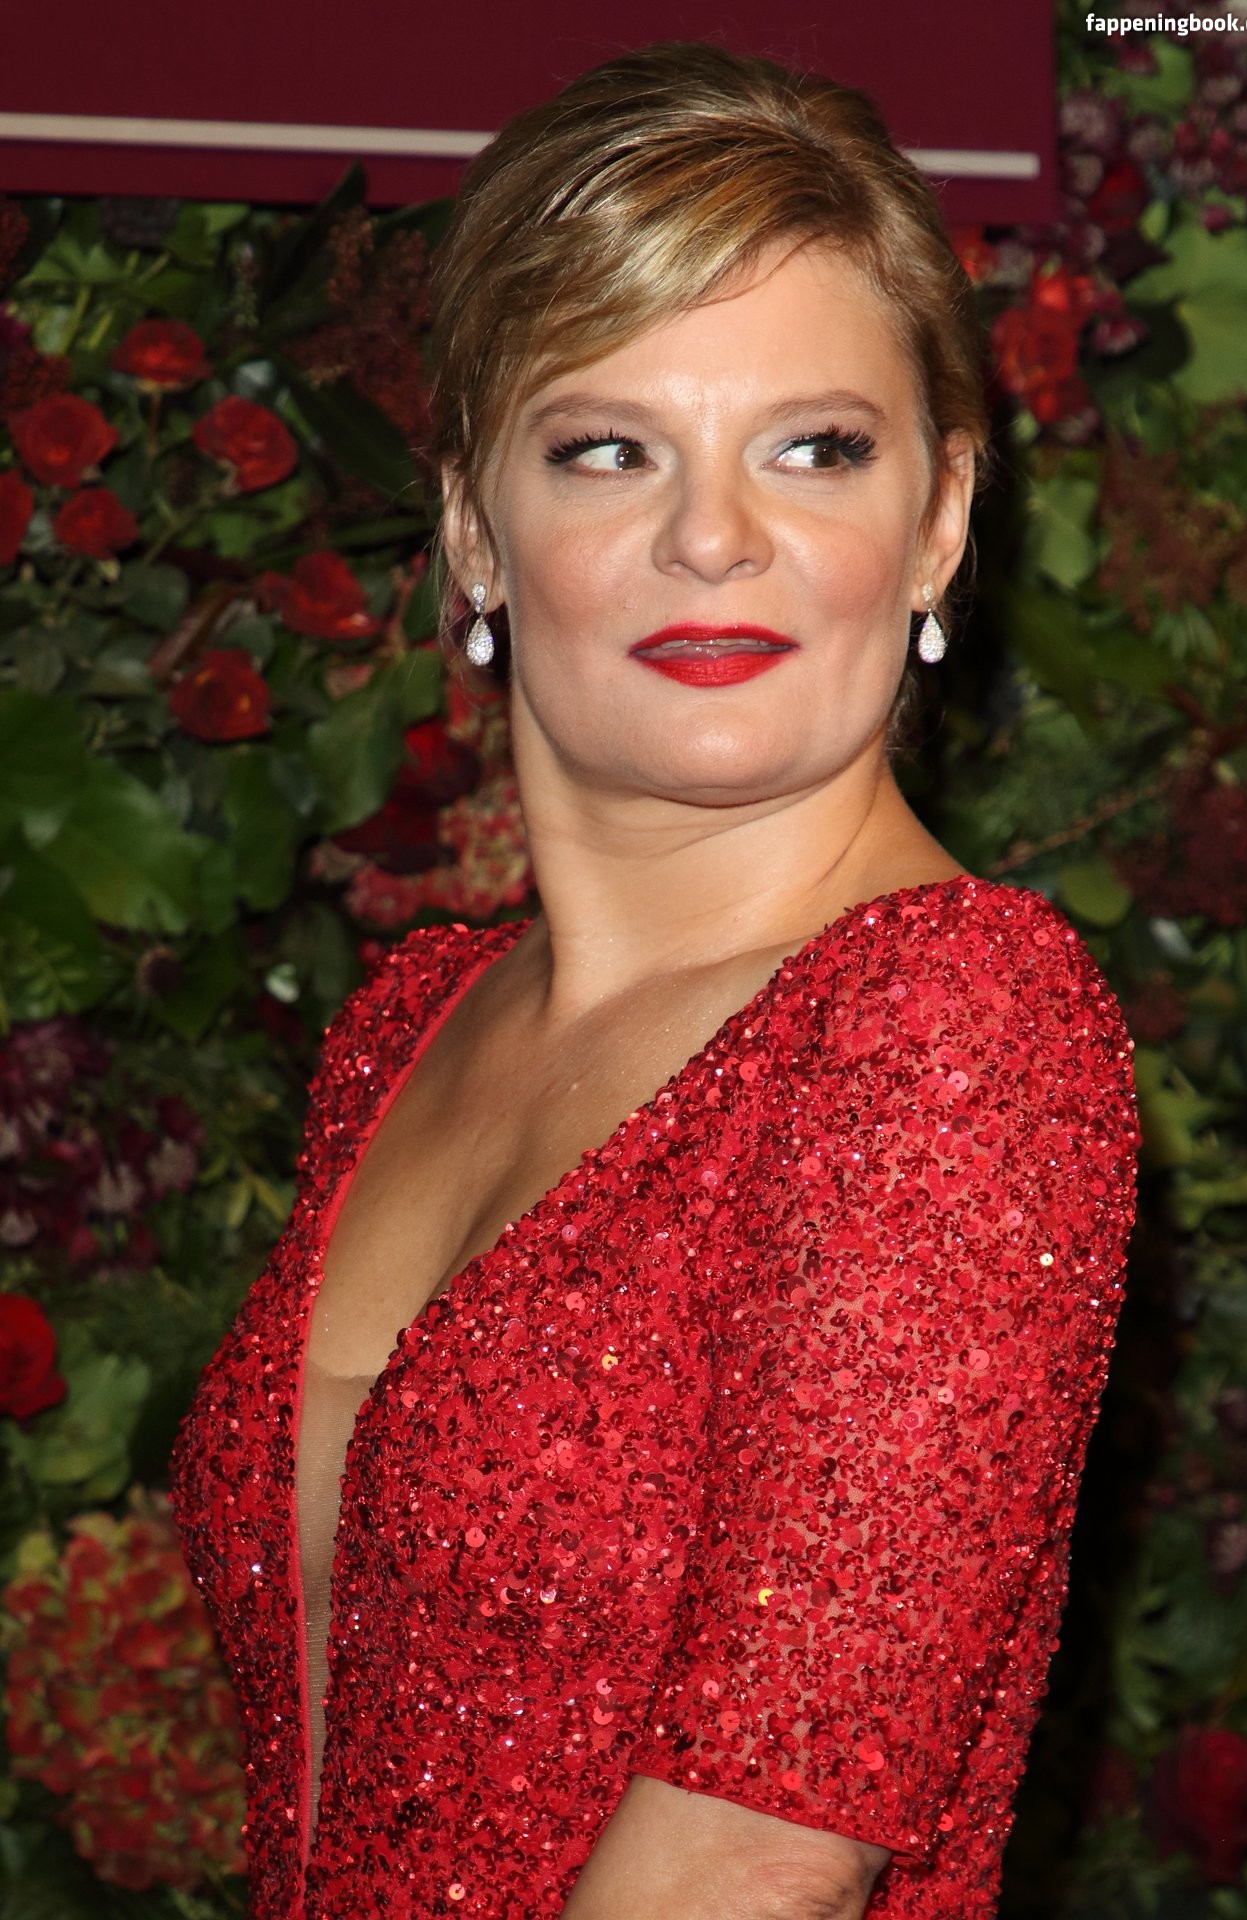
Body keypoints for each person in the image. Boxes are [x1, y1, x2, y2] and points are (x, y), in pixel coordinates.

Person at [170, 41, 1138, 1920]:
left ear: (940, 518)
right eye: (609, 448)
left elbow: (756, 1860)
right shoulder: (412, 1031)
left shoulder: (949, 1025)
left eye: (815, 448)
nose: (714, 536)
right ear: (474, 523)